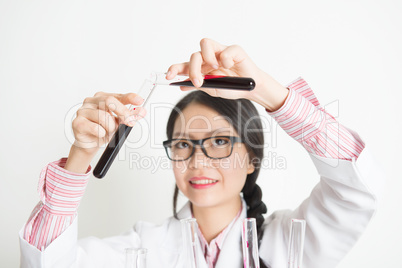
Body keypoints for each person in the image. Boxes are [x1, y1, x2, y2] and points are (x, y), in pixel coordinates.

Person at [19, 38, 384, 268]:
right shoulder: (142, 250)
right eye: (182, 144)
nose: (198, 161)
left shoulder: (291, 243)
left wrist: (264, 90)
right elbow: (44, 262)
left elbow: (356, 189)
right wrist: (82, 154)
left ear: (253, 156)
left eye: (220, 141)